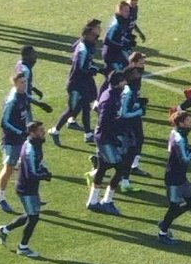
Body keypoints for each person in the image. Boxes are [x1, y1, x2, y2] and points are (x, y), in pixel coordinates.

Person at [0, 121, 52, 258]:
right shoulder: (31, 149)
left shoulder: (32, 143)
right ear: (32, 133)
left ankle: (4, 230)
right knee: (33, 217)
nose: (43, 132)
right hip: (26, 188)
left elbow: (33, 164)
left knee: (29, 214)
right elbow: (31, 174)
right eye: (40, 130)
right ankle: (22, 247)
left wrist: (43, 169)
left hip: (27, 186)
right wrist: (44, 175)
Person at [86, 71, 134, 215]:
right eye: (123, 81)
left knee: (102, 168)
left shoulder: (112, 94)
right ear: (118, 82)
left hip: (105, 137)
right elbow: (105, 122)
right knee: (121, 168)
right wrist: (114, 138)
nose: (125, 83)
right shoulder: (109, 98)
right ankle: (107, 201)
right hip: (106, 139)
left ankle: (93, 201)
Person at [49, 20, 101, 145]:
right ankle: (58, 130)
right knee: (78, 108)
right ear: (90, 32)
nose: (99, 30)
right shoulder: (83, 49)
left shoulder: (88, 43)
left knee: (81, 107)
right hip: (77, 84)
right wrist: (94, 69)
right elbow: (81, 68)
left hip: (84, 81)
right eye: (97, 28)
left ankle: (70, 126)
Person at [157, 109, 191, 245]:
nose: (190, 122)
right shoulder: (180, 138)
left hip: (179, 175)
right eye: (187, 120)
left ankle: (164, 223)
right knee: (174, 206)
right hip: (174, 177)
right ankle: (163, 232)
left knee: (190, 203)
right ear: (181, 123)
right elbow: (185, 160)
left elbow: (171, 150)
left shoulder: (176, 132)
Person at [0, 72, 32, 214]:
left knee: (26, 164)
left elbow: (28, 99)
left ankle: (27, 194)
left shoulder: (23, 95)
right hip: (11, 140)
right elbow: (4, 122)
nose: (25, 84)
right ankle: (0, 197)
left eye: (25, 81)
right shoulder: (12, 101)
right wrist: (19, 132)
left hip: (22, 137)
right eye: (22, 82)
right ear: (15, 83)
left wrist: (40, 104)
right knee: (8, 168)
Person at [118, 51, 149, 191]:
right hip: (128, 115)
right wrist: (136, 107)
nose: (143, 66)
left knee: (139, 139)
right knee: (127, 147)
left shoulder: (137, 71)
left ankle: (133, 167)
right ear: (133, 62)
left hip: (133, 111)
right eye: (141, 62)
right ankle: (123, 178)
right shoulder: (128, 74)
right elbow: (122, 92)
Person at [101, 1, 133, 79]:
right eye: (126, 11)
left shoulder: (121, 20)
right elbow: (106, 40)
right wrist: (121, 46)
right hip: (110, 55)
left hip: (116, 53)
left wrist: (128, 41)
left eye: (128, 11)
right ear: (120, 11)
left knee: (125, 70)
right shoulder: (116, 24)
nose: (128, 13)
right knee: (114, 78)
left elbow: (119, 36)